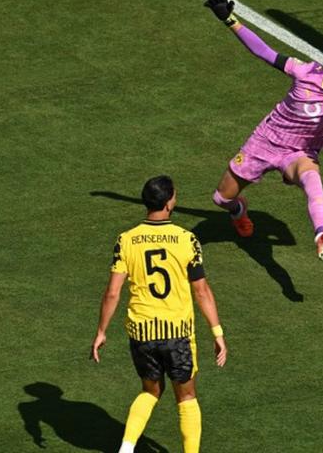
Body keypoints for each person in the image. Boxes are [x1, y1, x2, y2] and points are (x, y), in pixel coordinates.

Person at [203, 0, 323, 261]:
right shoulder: (305, 72)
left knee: (312, 179)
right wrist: (230, 20)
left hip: (300, 151)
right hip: (265, 140)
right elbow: (264, 52)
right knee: (221, 199)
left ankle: (321, 235)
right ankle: (239, 212)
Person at [91, 175, 227, 453]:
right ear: (168, 203)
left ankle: (126, 449)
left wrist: (102, 332)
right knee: (186, 396)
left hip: (142, 332)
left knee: (150, 391)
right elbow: (201, 291)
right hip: (176, 333)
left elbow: (113, 292)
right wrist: (217, 332)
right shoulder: (187, 240)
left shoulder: (126, 240)